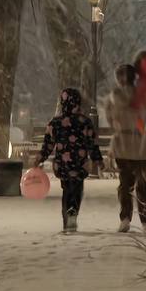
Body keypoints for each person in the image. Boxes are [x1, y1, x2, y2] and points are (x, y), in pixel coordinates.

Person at [35, 88, 103, 232]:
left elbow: (48, 144)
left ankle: (67, 219)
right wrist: (97, 159)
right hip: (80, 164)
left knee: (66, 190)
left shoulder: (55, 123)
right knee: (77, 189)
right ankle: (73, 212)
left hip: (63, 164)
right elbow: (92, 143)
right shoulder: (85, 122)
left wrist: (40, 158)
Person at [107, 63, 146, 232]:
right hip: (144, 146)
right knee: (144, 185)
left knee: (125, 184)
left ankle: (125, 218)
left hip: (123, 144)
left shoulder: (114, 97)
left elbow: (110, 120)